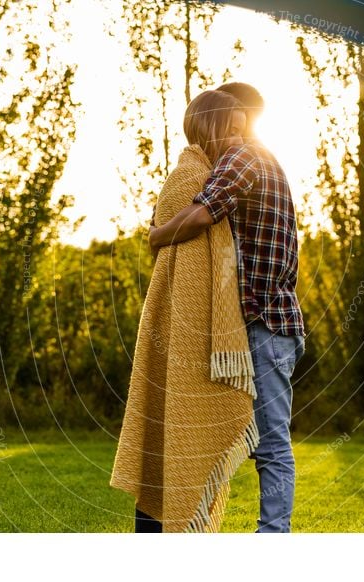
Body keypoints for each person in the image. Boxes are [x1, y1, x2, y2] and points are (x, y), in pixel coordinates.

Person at [149, 82, 306, 533]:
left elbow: (203, 212)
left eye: (240, 126)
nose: (233, 136)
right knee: (260, 439)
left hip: (265, 325)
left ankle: (273, 537)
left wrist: (158, 235)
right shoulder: (267, 158)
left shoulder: (244, 157)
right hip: (272, 325)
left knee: (271, 442)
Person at [110, 90, 260, 533]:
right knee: (165, 447)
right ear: (207, 126)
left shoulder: (210, 178)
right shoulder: (188, 178)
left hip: (195, 341)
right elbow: (190, 272)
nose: (238, 136)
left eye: (243, 128)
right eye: (230, 127)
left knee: (178, 448)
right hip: (183, 337)